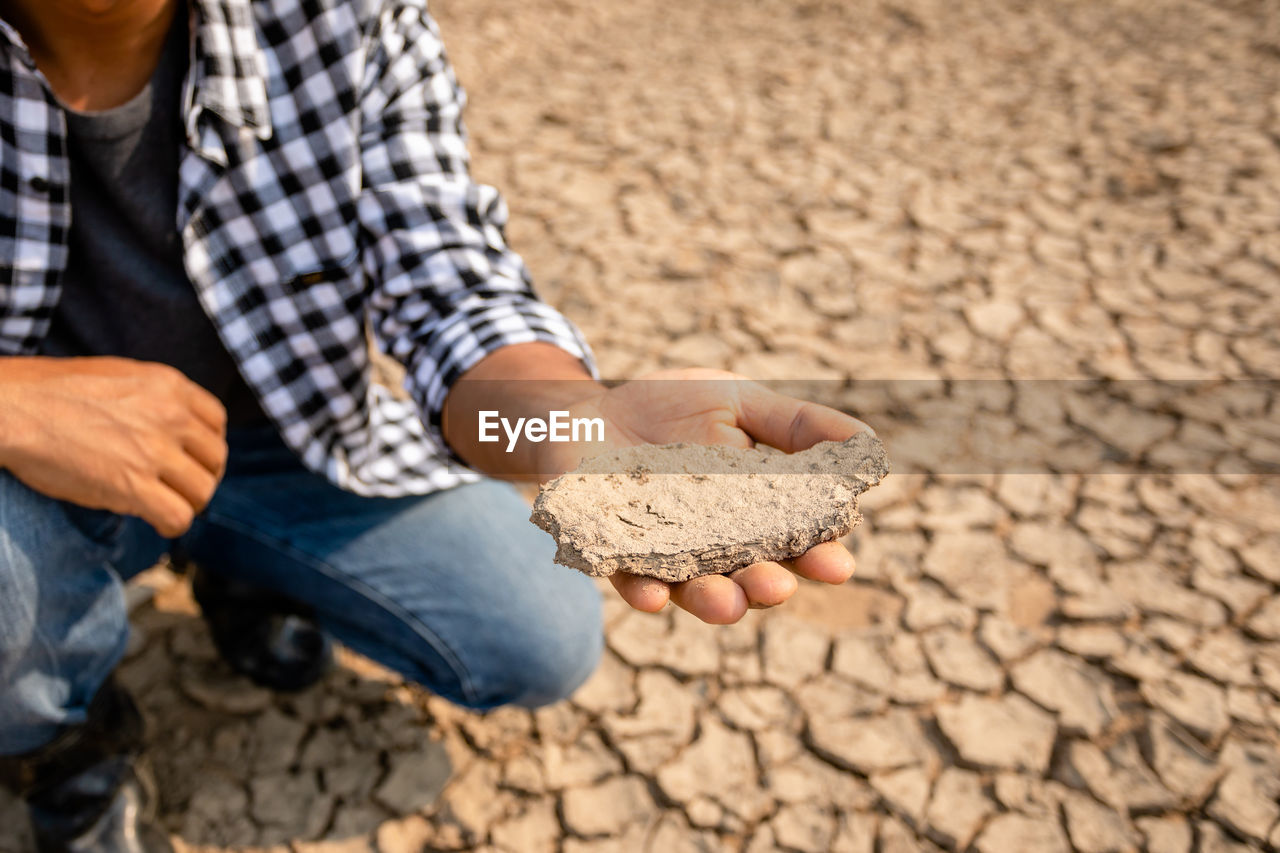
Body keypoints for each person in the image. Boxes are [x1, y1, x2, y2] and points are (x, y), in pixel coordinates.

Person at [0, 0, 872, 850]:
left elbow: (448, 290)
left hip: (287, 438)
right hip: (29, 475)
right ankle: (64, 746)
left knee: (535, 625)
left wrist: (577, 432)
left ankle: (244, 560)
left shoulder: (346, 21)